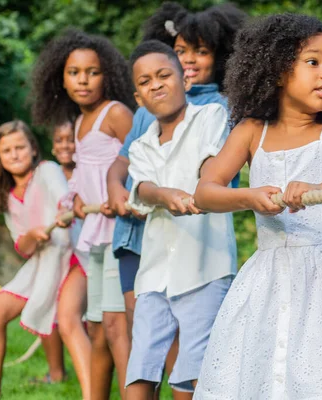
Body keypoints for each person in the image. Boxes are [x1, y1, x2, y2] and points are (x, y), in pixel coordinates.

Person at [193, 14, 322, 399]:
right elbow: (205, 192)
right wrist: (248, 196)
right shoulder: (251, 131)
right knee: (261, 369)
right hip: (268, 275)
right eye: (313, 62)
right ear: (278, 71)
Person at [107, 2, 246, 341]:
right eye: (181, 50)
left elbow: (216, 172)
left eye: (201, 51)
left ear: (221, 56)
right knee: (141, 324)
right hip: (134, 232)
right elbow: (124, 159)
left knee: (189, 332)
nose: (189, 59)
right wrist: (114, 184)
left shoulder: (219, 109)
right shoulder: (147, 106)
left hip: (189, 237)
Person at [124, 40, 237, 399]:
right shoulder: (140, 146)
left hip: (206, 267)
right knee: (140, 367)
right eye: (145, 82)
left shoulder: (211, 116)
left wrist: (204, 188)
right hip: (154, 274)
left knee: (193, 375)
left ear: (184, 80)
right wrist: (166, 195)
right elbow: (142, 189)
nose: (156, 84)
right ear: (138, 98)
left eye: (163, 75)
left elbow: (212, 164)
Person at [31, 28, 135, 400]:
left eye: (92, 71)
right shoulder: (77, 123)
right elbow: (86, 175)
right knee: (95, 326)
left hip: (119, 230)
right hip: (94, 231)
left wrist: (120, 191)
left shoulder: (116, 113)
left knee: (115, 324)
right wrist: (76, 201)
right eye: (74, 72)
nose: (83, 80)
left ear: (107, 74)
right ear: (61, 77)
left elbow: (142, 159)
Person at [0, 121, 73, 399]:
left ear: (33, 149)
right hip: (40, 260)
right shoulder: (7, 197)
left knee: (48, 304)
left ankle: (58, 373)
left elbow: (64, 199)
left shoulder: (48, 171)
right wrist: (32, 235)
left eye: (20, 147)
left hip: (68, 252)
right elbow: (23, 246)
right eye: (6, 150)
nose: (15, 154)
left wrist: (62, 212)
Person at [49, 119, 92, 396]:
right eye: (59, 140)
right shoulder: (50, 177)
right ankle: (57, 374)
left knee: (75, 319)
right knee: (53, 312)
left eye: (70, 140)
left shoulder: (88, 175)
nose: (65, 145)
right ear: (52, 147)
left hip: (86, 255)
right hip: (60, 257)